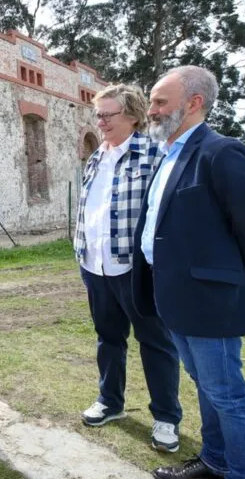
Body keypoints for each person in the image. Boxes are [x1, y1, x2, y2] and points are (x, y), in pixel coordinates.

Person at [131, 66, 245, 479]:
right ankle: (214, 462)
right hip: (173, 297)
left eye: (160, 102)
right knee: (207, 387)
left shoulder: (222, 152)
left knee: (229, 396)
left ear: (193, 102)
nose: (152, 110)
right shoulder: (170, 153)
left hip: (210, 302)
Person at [73, 84, 182, 452]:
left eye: (108, 115)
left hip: (136, 270)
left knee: (156, 342)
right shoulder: (94, 159)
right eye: (98, 114)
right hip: (95, 265)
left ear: (133, 116)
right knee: (108, 339)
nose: (100, 121)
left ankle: (166, 417)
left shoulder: (154, 154)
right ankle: (110, 402)